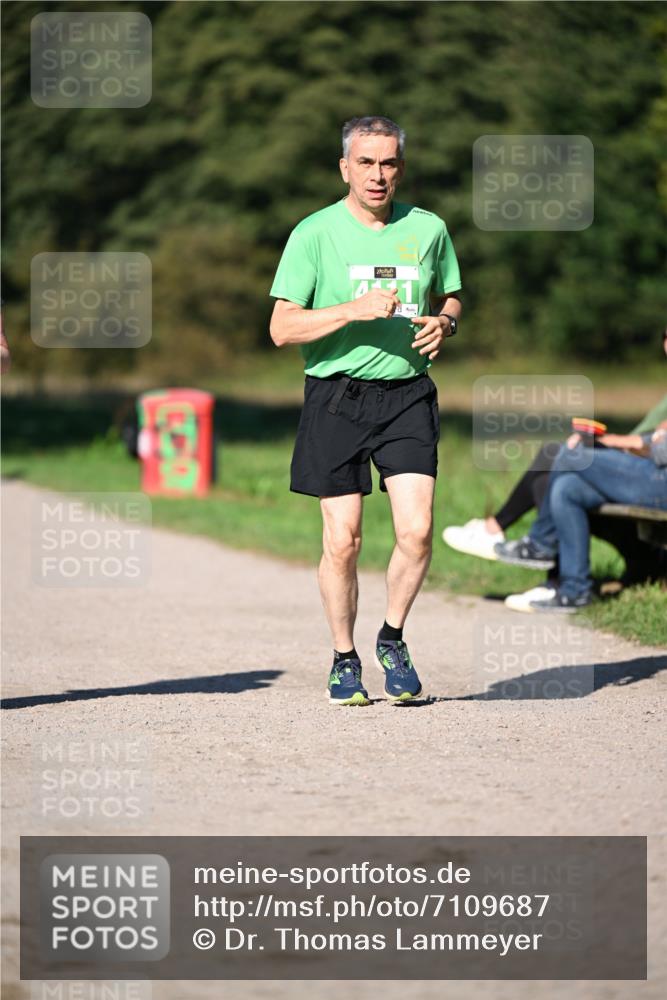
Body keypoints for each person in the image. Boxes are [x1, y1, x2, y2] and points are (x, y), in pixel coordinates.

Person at [269, 116, 462, 705]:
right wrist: (351, 310)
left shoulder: (428, 229)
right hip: (336, 397)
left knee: (419, 530)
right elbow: (281, 328)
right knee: (344, 540)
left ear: (400, 167)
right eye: (367, 163)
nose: (379, 176)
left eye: (389, 163)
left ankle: (392, 638)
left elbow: (450, 292)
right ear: (345, 167)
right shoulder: (314, 233)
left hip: (407, 395)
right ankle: (343, 658)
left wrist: (445, 322)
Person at [443, 327, 667, 609]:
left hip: (660, 480)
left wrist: (620, 441)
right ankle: (573, 589)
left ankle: (540, 543)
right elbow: (654, 441)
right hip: (654, 473)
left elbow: (660, 449)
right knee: (568, 488)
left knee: (565, 454)